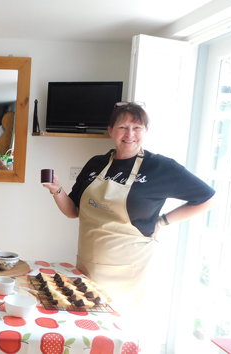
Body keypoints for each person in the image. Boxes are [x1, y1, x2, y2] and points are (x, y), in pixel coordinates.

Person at [43, 102, 216, 311]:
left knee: (119, 333)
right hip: (87, 267)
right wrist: (57, 189)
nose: (129, 134)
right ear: (111, 131)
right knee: (85, 328)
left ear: (146, 131)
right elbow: (73, 211)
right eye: (123, 127)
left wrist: (163, 221)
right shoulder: (96, 164)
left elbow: (208, 199)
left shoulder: (160, 168)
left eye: (137, 128)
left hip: (129, 275)